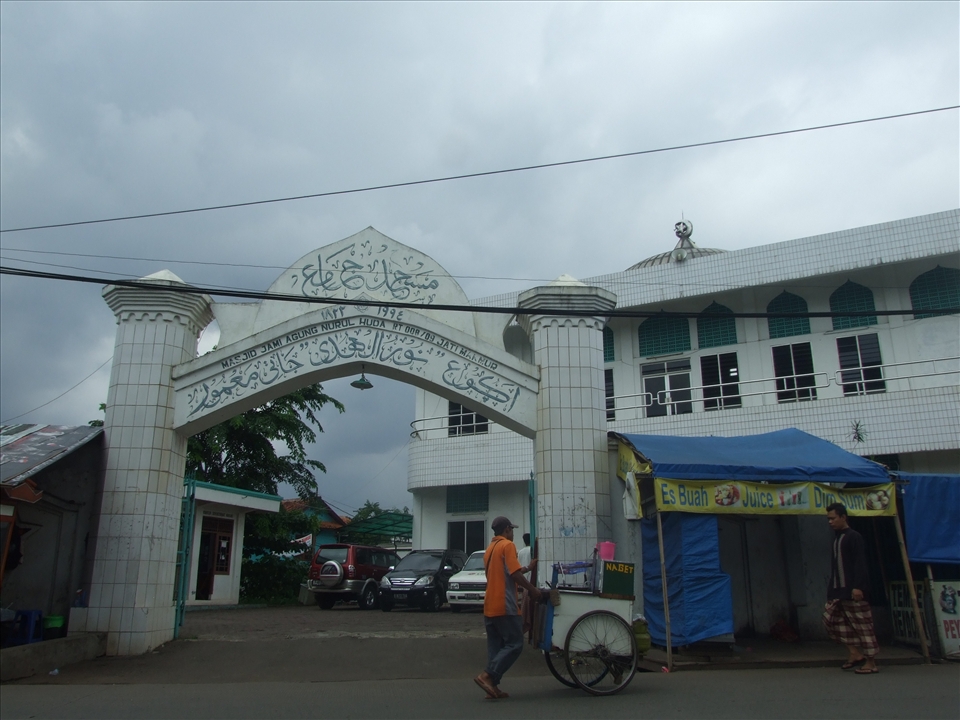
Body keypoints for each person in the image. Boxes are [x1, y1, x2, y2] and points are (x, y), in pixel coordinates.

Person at [474, 516, 540, 700]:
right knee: (515, 644)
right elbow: (514, 575)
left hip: (489, 606)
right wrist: (533, 589)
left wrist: (528, 567)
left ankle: (492, 686)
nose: (513, 533)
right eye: (512, 530)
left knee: (496, 648)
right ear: (507, 530)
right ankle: (487, 676)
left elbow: (510, 571)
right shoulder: (508, 546)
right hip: (505, 605)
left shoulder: (490, 549)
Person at [823, 502, 879, 674]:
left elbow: (860, 563)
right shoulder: (837, 538)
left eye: (833, 518)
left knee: (863, 626)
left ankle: (871, 663)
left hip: (854, 591)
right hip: (838, 591)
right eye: (828, 519)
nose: (830, 522)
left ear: (843, 517)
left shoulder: (853, 536)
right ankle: (854, 653)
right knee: (832, 621)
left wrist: (858, 587)